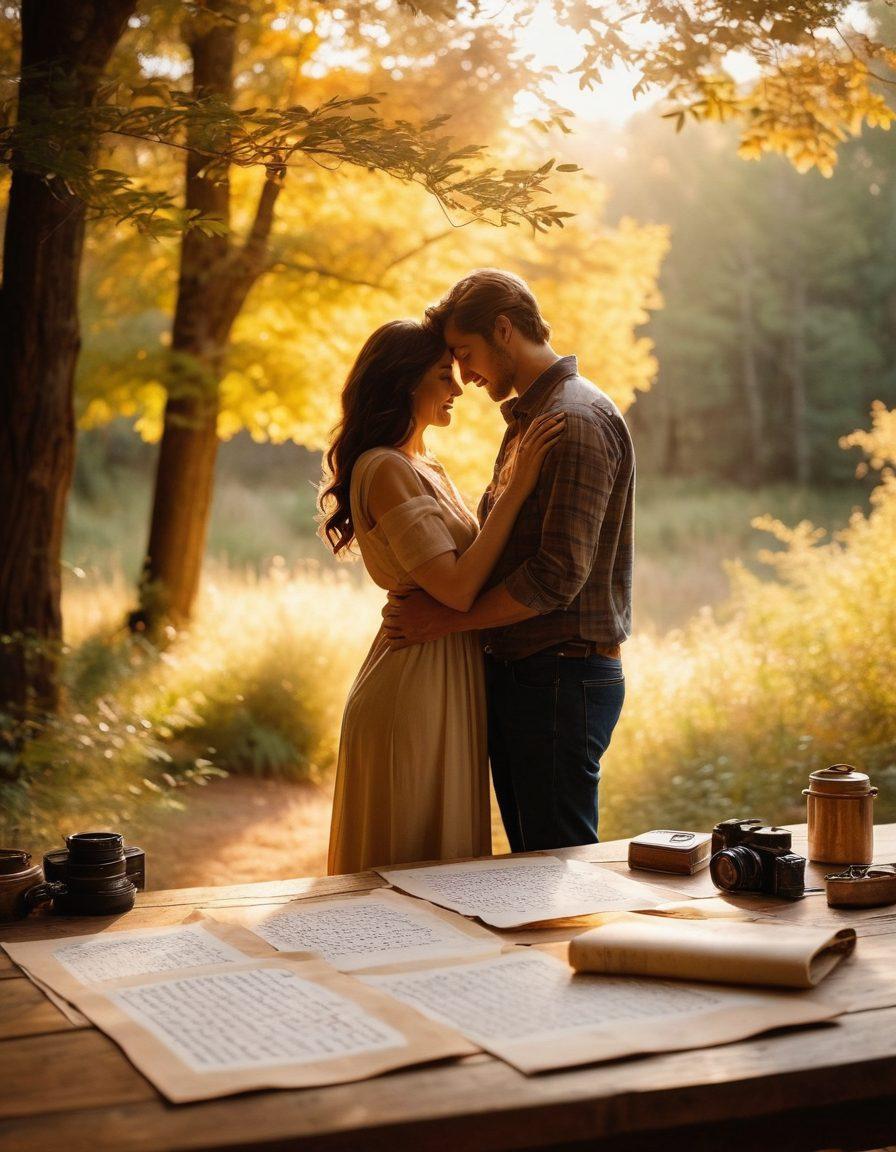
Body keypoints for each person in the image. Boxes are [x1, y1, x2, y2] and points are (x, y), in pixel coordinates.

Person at [384, 270, 635, 853]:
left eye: (465, 355)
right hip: (535, 677)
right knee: (530, 868)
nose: (465, 377)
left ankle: (583, 952)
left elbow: (556, 576)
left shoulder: (572, 421)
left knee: (555, 868)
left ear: (504, 329)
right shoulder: (535, 418)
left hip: (559, 677)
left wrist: (444, 621)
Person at [318, 319, 564, 874]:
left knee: (444, 861)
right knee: (409, 862)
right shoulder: (384, 468)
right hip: (414, 681)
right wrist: (521, 483)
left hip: (448, 671)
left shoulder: (424, 465)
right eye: (441, 375)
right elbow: (454, 587)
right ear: (403, 383)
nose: (457, 389)